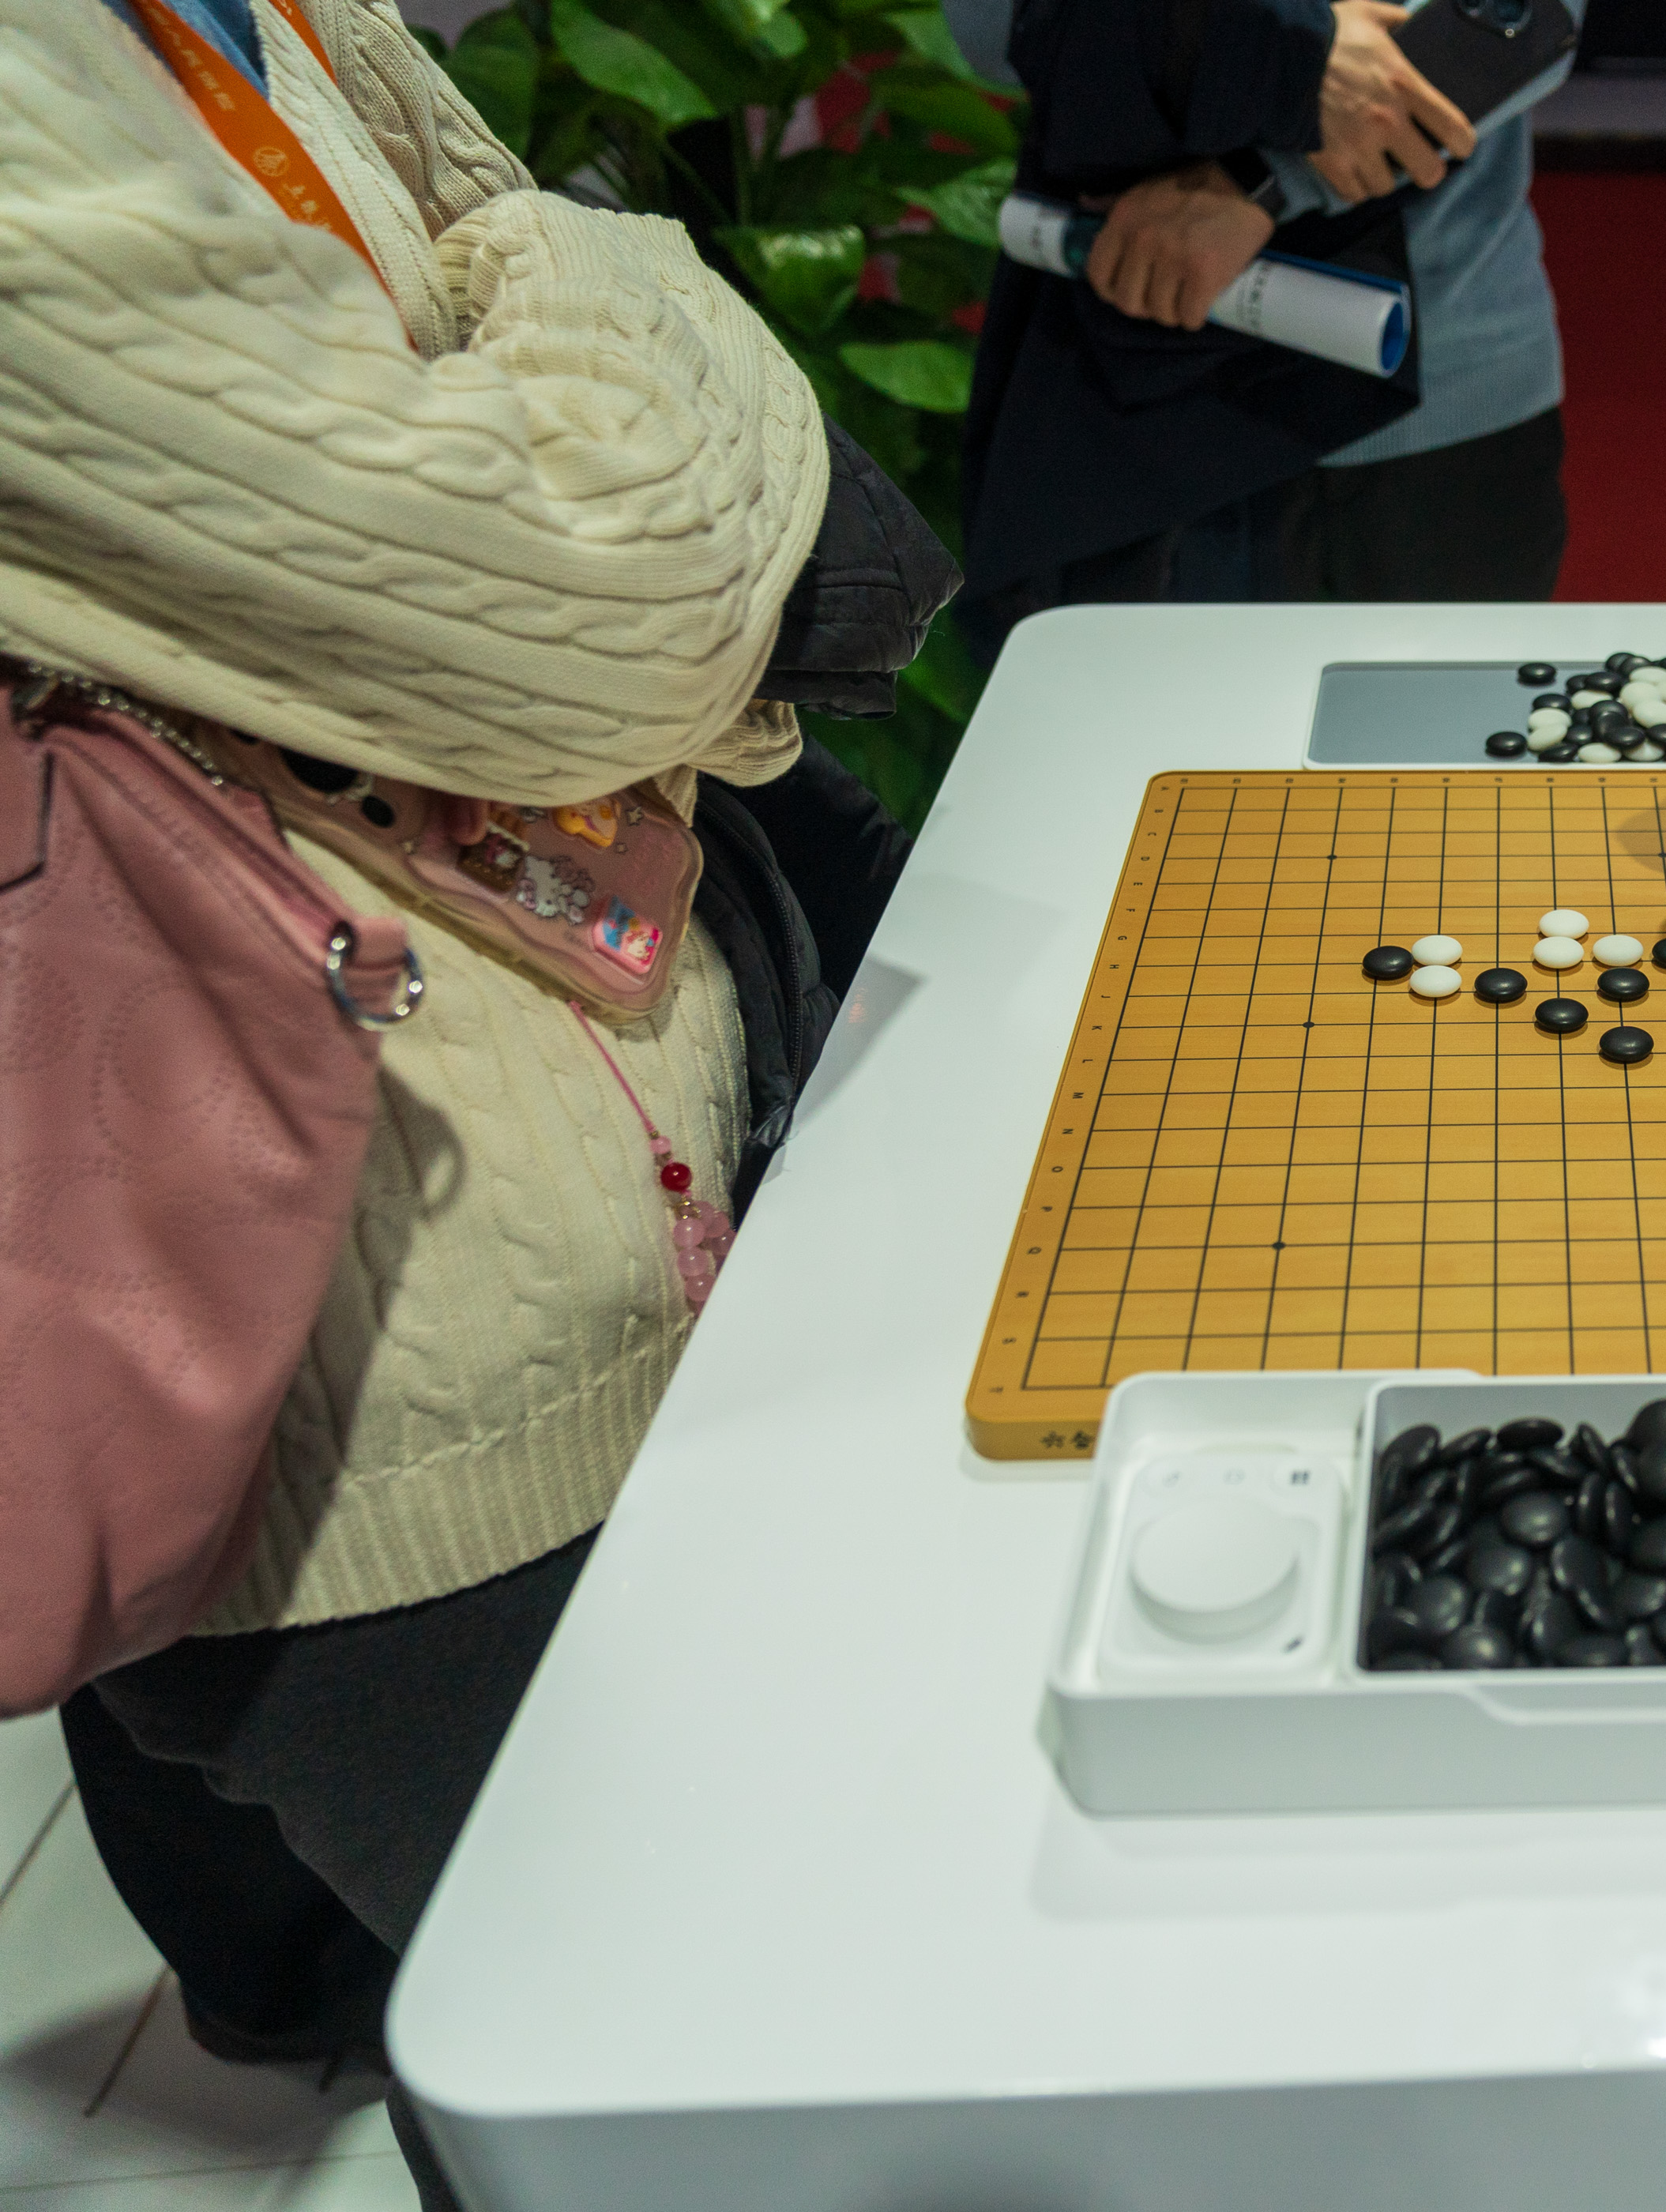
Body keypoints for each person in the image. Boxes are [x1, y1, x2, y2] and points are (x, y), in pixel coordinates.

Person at [2, 0, 949, 2202]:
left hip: (585, 1147)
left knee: (602, 2004)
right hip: (374, 1359)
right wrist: (613, 295)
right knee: (666, 2092)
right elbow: (604, 583)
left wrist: (545, 327)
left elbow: (536, 378)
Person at [958, 0, 1578, 637]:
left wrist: (1261, 177)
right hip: (1146, 389)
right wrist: (1286, 47)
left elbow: (1520, 25)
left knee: (1449, 724)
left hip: (1439, 382)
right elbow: (987, 27)